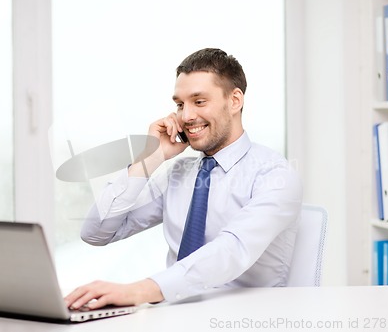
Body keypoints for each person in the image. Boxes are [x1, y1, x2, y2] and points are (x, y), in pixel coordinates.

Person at [64, 48, 303, 310]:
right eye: (180, 104)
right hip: (176, 313)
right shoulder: (179, 175)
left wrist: (139, 290)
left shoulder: (274, 174)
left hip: (246, 319)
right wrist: (149, 159)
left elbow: (231, 250)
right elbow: (96, 232)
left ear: (235, 101)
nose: (186, 116)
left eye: (199, 102)